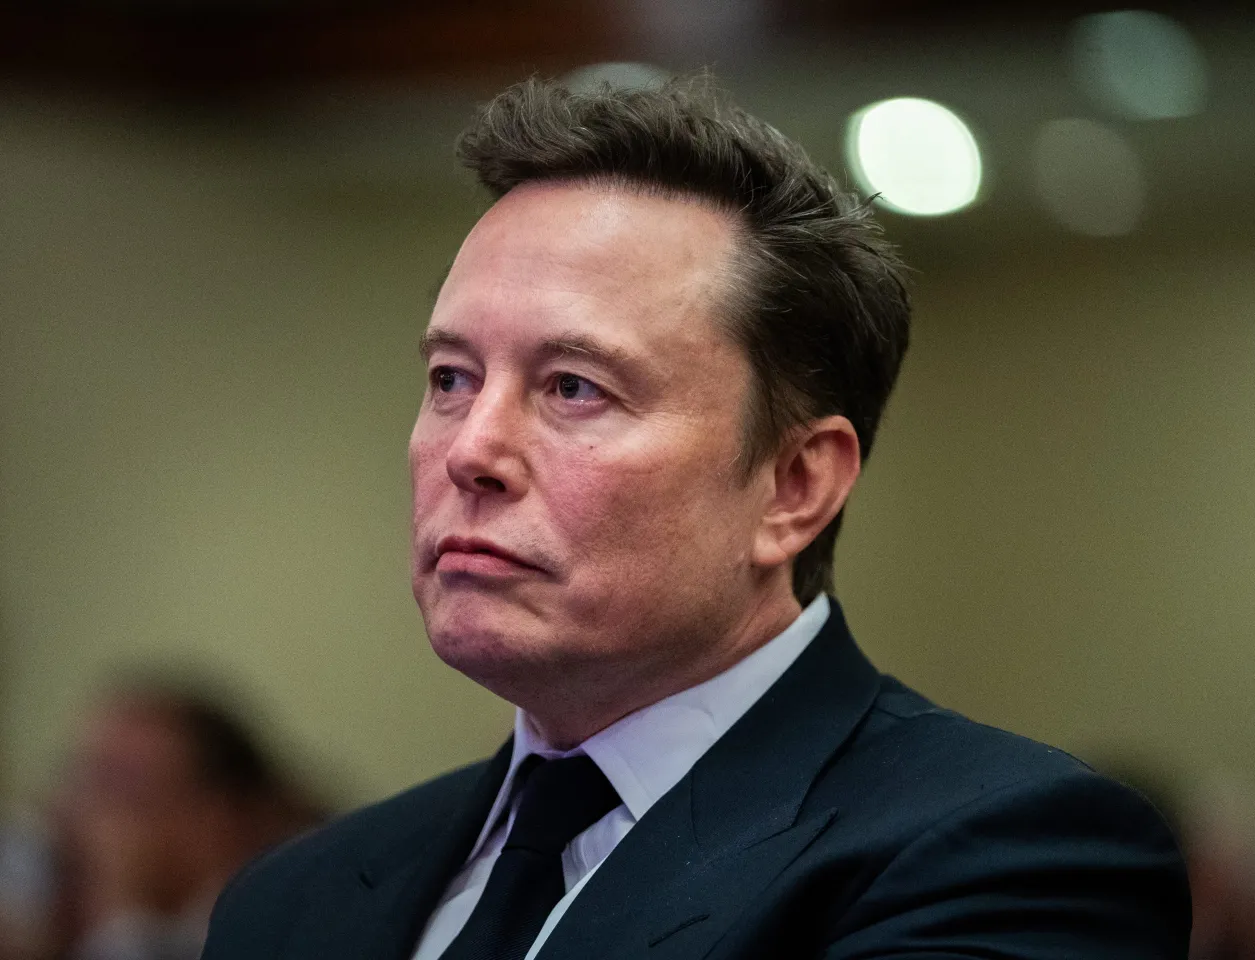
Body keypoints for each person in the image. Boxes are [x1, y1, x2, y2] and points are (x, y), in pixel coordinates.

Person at [201, 76, 1190, 959]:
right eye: (451, 377)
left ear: (795, 486)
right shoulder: (290, 901)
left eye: (575, 387)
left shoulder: (1009, 861)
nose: (469, 451)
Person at [45, 681, 322, 960]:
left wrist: (121, 919)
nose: (73, 809)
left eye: (116, 786)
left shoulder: (281, 929)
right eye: (79, 780)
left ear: (216, 816)